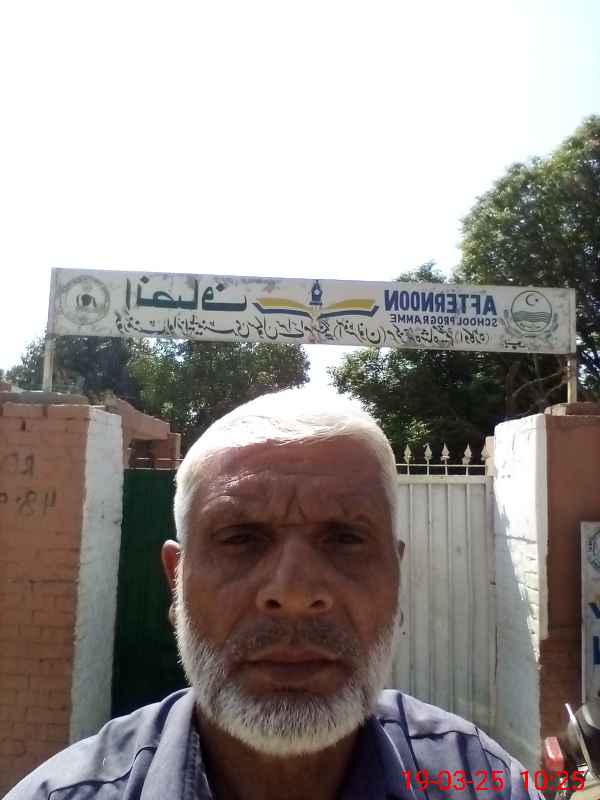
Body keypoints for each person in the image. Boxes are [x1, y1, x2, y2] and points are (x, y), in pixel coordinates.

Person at [5, 388, 542, 800]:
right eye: (241, 539)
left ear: (396, 578)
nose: (293, 592)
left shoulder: (487, 784)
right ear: (176, 581)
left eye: (344, 539)